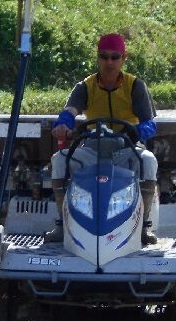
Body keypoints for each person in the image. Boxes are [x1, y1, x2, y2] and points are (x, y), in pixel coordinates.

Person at [47, 33, 159, 246]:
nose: (109, 62)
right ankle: (62, 225)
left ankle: (144, 227)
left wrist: (138, 132)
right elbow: (70, 111)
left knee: (148, 161)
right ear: (97, 58)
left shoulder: (135, 86)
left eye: (114, 57)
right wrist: (63, 124)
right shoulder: (85, 86)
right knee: (59, 160)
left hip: (127, 148)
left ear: (123, 59)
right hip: (91, 147)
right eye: (104, 56)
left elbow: (150, 123)